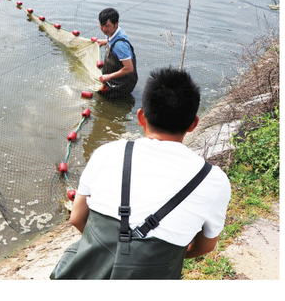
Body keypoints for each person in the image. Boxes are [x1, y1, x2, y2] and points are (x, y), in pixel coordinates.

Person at [51, 67, 231, 279]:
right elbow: (205, 245)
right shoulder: (214, 180)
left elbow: (76, 218)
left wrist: (112, 252)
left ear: (140, 116)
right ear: (193, 124)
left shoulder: (106, 153)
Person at [95, 8, 138, 98]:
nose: (104, 29)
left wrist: (109, 76)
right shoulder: (113, 31)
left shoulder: (120, 45)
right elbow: (111, 40)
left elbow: (129, 69)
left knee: (101, 97)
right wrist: (104, 41)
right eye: (101, 25)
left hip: (121, 85)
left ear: (116, 23)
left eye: (107, 26)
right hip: (114, 79)